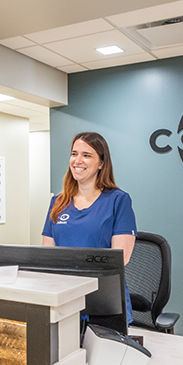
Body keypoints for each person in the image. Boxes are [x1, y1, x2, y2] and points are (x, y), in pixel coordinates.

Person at [42, 131, 136, 324]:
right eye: (74, 153)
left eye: (87, 155)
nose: (78, 160)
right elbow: (47, 255)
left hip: (103, 302)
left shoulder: (118, 200)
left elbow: (121, 257)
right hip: (64, 299)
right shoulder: (58, 202)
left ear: (101, 163)